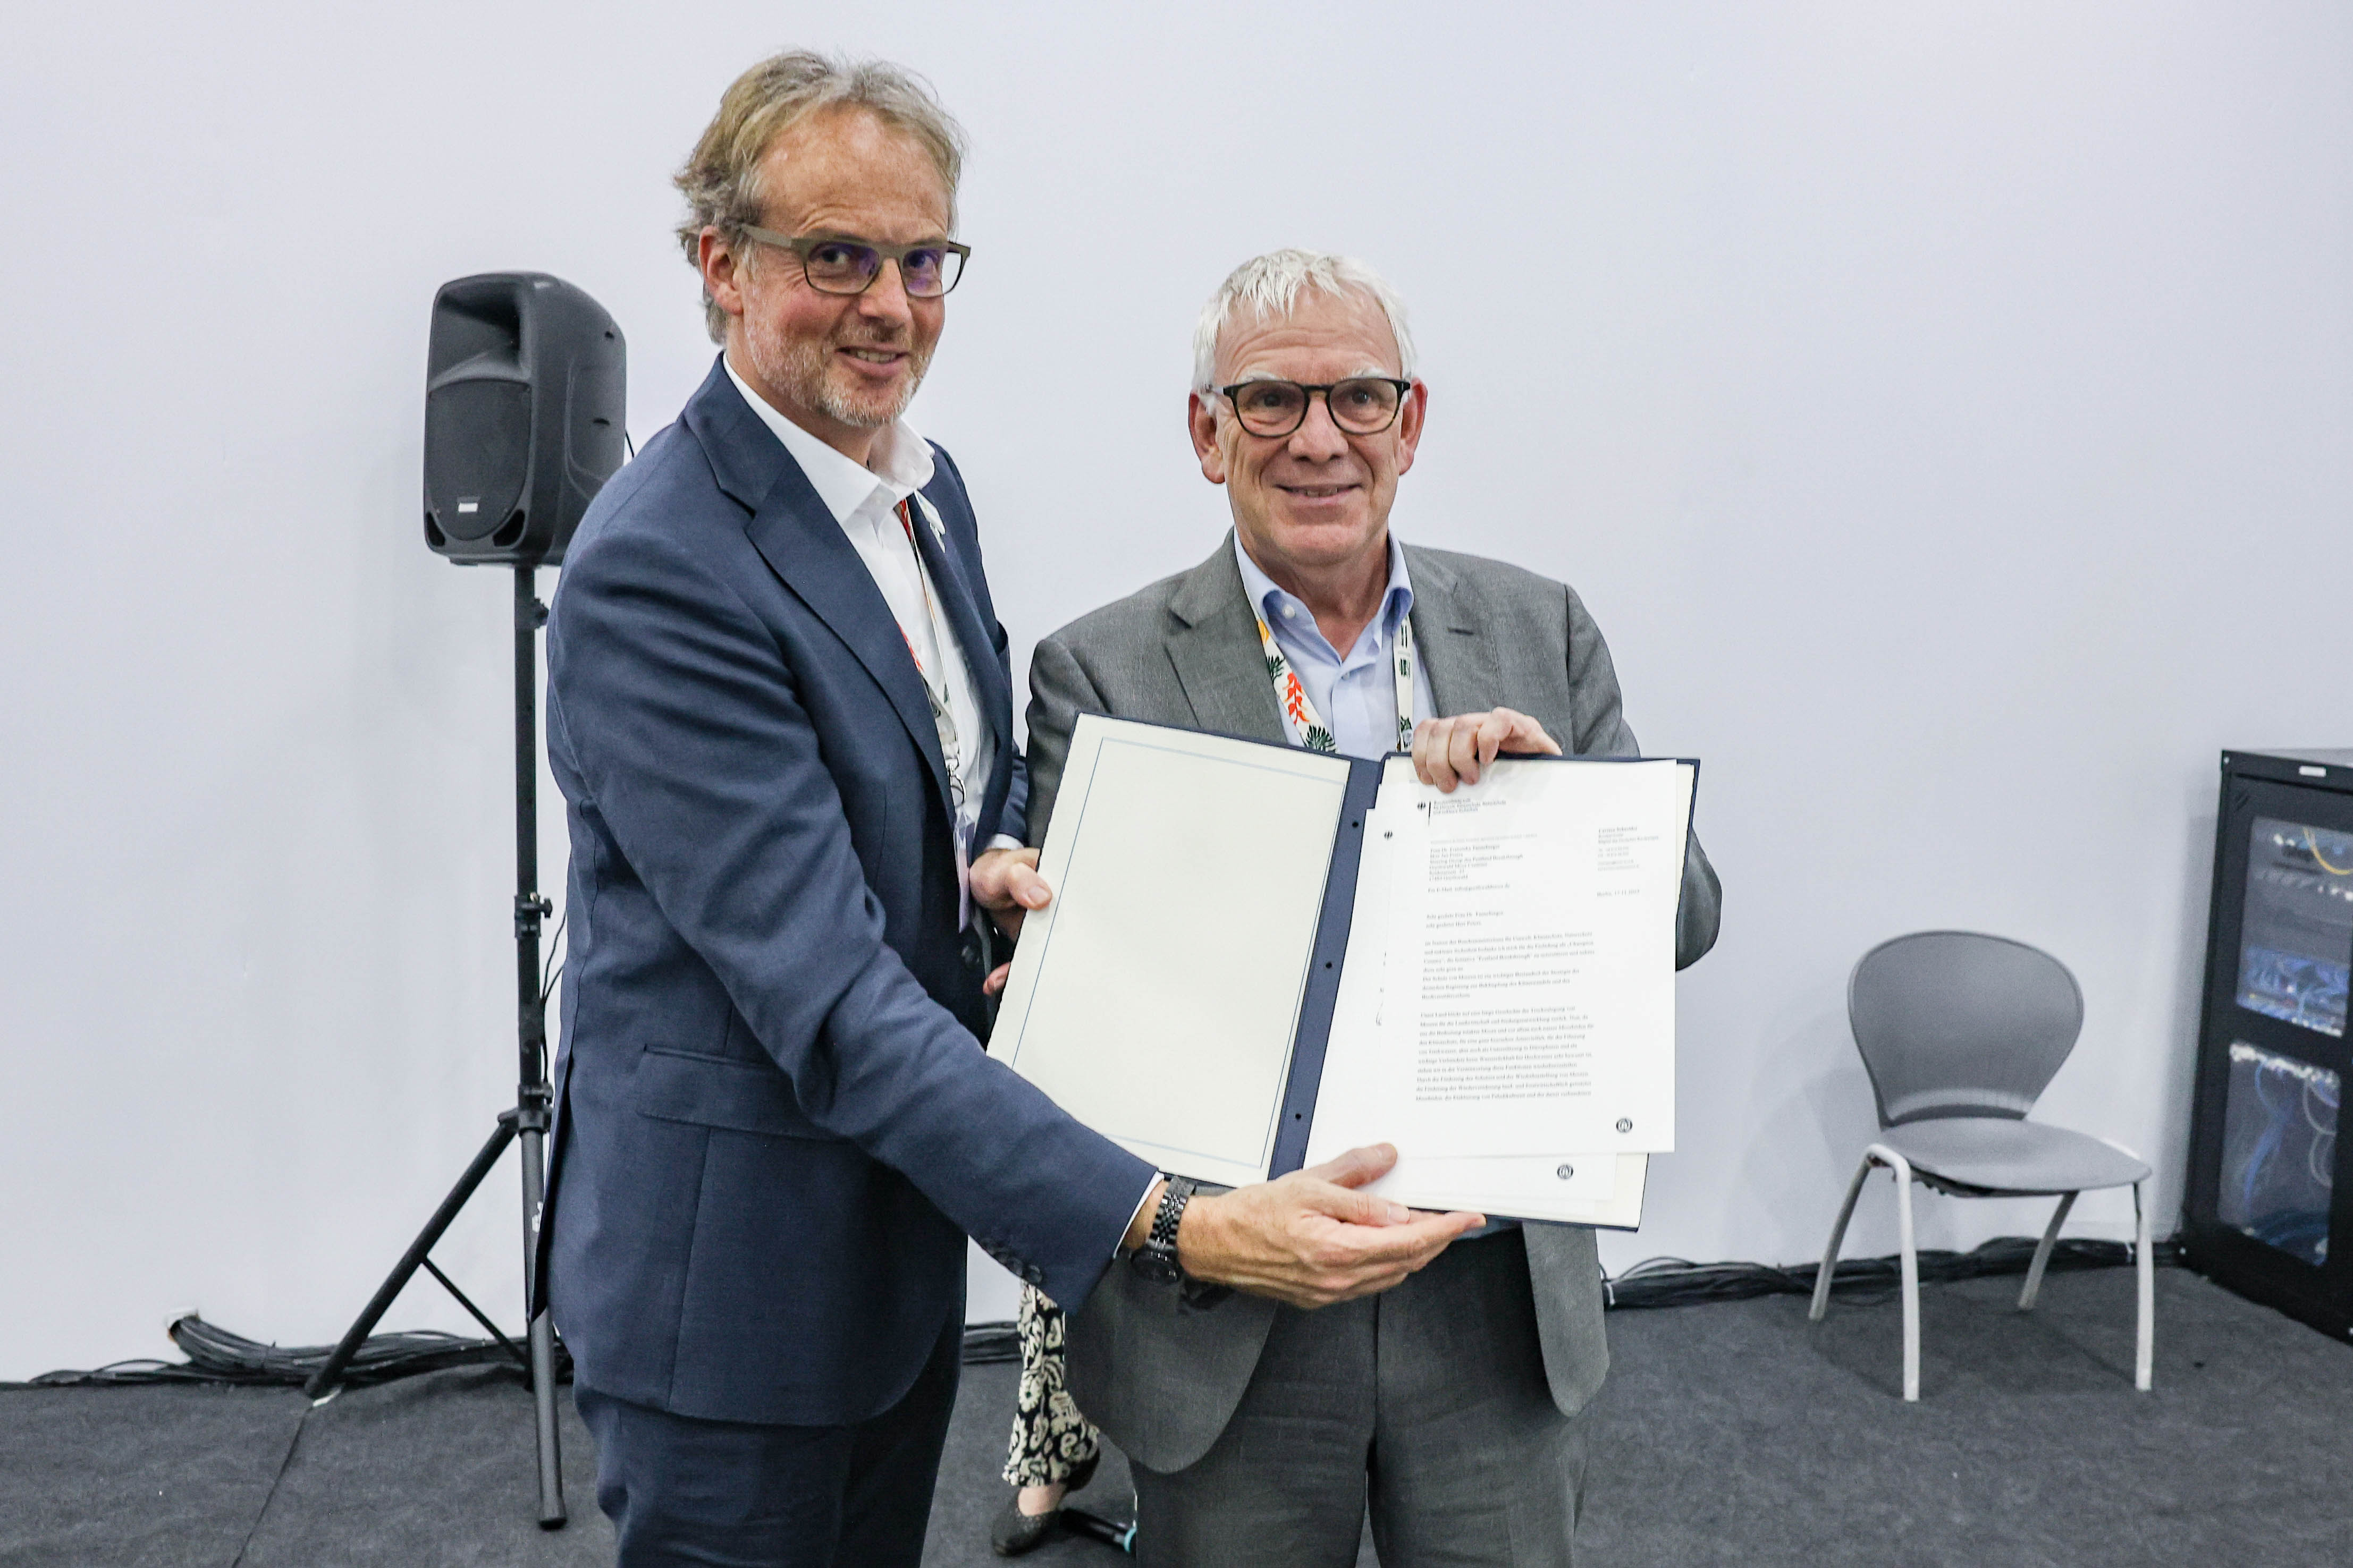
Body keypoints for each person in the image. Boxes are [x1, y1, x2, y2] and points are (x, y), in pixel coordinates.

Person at [536, 58, 1481, 1568]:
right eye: (834, 256)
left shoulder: (917, 490)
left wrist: (988, 868)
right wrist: (1169, 1220)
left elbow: (936, 791)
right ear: (719, 264)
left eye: (923, 260)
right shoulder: (662, 569)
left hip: (887, 1253)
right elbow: (831, 1001)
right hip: (734, 1290)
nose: (889, 305)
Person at [1022, 249, 1725, 1567]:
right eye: (1272, 400)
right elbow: (1086, 1005)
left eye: (1358, 397)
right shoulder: (1099, 672)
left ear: (1410, 423)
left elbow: (1683, 918)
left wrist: (1557, 819)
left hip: (1488, 1305)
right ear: (1206, 430)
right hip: (1235, 1310)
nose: (1319, 440)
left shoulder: (1538, 629)